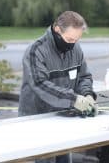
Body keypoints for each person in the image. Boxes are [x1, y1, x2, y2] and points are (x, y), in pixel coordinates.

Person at [19, 11, 98, 163]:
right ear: (57, 29)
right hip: (37, 120)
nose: (72, 44)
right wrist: (73, 99)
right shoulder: (36, 51)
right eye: (69, 39)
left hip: (63, 116)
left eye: (76, 40)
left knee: (64, 159)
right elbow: (40, 84)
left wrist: (87, 94)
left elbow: (84, 77)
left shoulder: (75, 48)